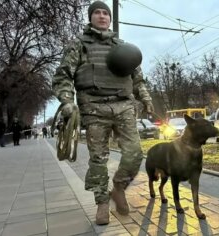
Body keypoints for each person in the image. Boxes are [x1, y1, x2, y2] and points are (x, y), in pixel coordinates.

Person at [52, 1, 154, 225]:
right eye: (97, 12)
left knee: (135, 153)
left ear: (109, 18)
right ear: (91, 18)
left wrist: (145, 98)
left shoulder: (122, 46)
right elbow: (62, 76)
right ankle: (102, 203)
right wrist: (67, 101)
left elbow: (137, 78)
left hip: (124, 105)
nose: (102, 16)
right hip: (94, 107)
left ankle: (119, 187)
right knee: (98, 158)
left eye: (105, 13)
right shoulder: (79, 45)